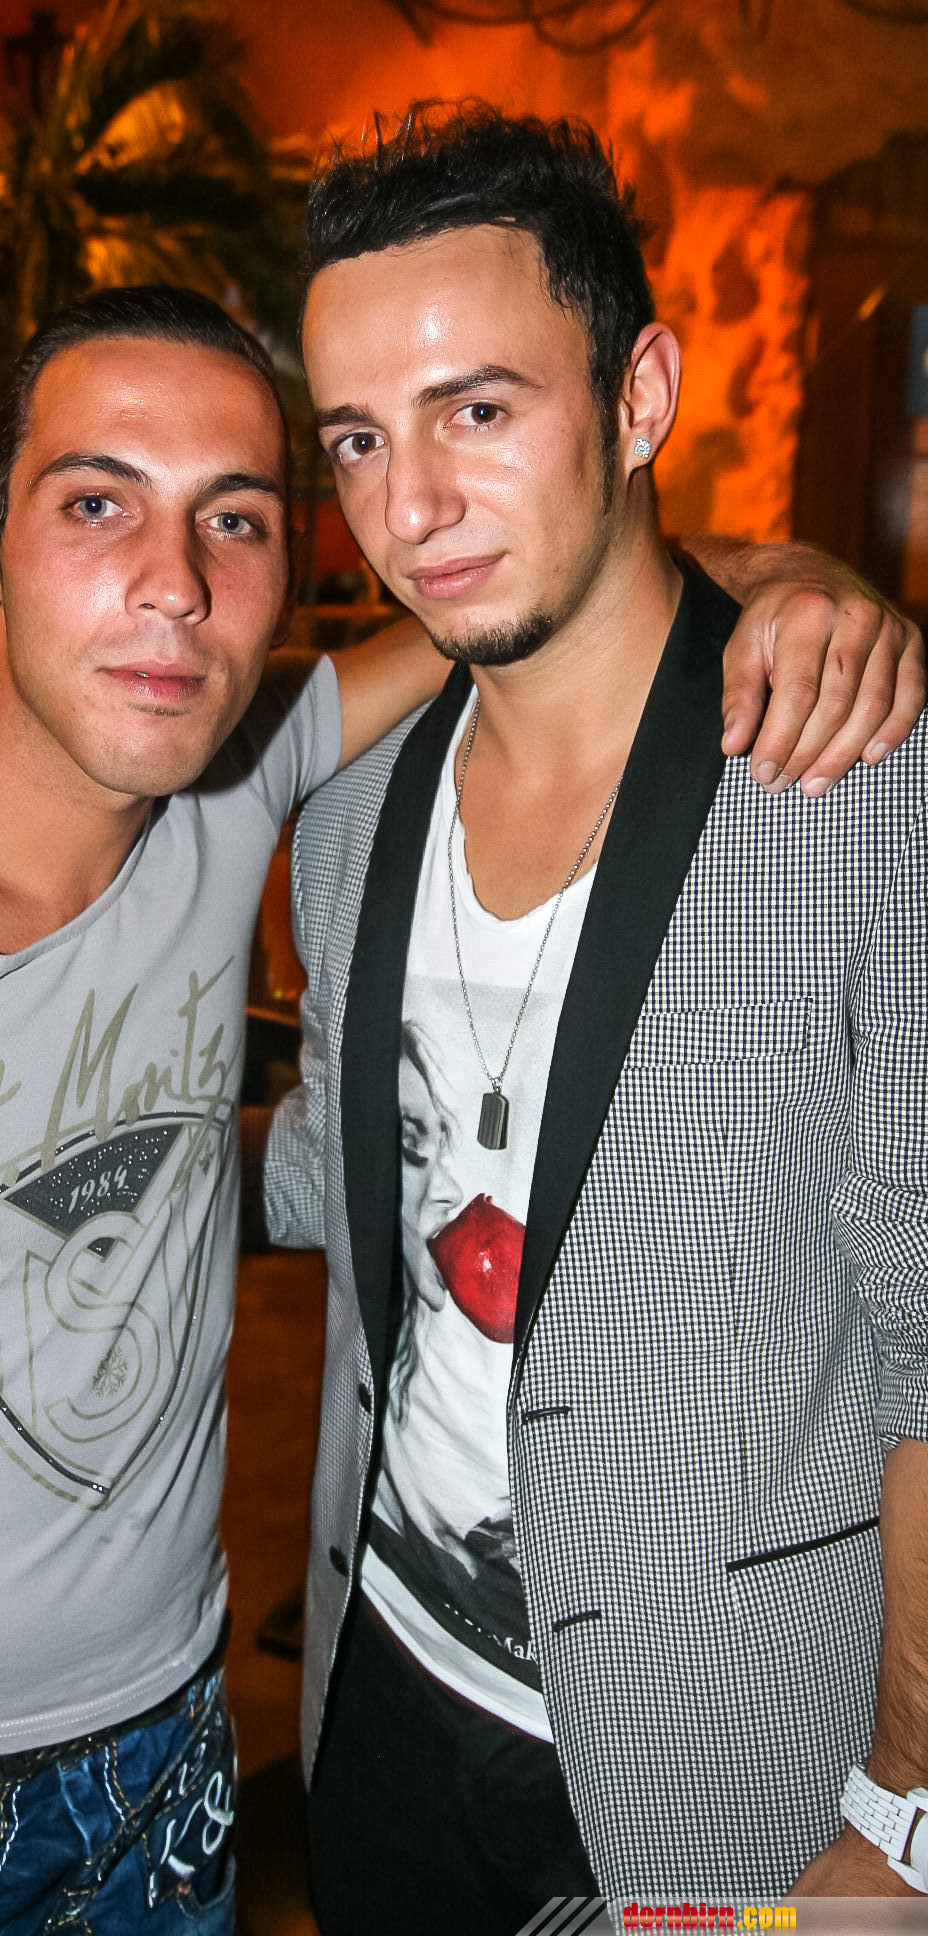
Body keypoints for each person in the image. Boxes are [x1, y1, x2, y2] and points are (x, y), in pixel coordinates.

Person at [0, 284, 914, 1936]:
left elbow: (555, 591)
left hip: (177, 1744)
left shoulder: (231, 788)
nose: (172, 585)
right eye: (95, 504)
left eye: (231, 520)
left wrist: (794, 585)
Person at [263, 104, 928, 1931]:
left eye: (476, 410)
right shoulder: (347, 826)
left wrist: (905, 1818)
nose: (408, 509)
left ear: (640, 395)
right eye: (358, 439)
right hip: (383, 1702)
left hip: (728, 1762)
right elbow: (332, 1182)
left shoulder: (863, 794)